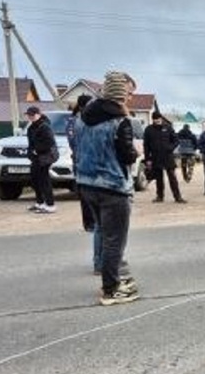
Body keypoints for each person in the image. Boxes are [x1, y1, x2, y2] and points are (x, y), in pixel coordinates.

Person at [75, 71, 140, 306]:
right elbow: (127, 156)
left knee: (103, 233)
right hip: (113, 187)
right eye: (128, 94)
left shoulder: (82, 118)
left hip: (86, 184)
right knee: (115, 241)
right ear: (121, 95)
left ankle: (110, 278)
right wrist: (136, 152)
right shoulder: (120, 121)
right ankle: (111, 289)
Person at [144, 111, 186, 203]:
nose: (157, 121)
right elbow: (146, 145)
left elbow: (176, 140)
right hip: (156, 157)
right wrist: (147, 159)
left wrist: (170, 148)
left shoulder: (168, 127)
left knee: (172, 178)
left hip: (168, 156)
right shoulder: (148, 130)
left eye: (158, 119)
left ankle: (178, 197)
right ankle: (160, 196)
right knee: (159, 178)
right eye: (155, 119)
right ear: (152, 119)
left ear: (161, 118)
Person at [67, 94, 95, 231]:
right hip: (81, 161)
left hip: (93, 160)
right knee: (85, 194)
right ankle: (89, 223)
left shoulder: (92, 119)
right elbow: (73, 142)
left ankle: (95, 221)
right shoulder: (74, 121)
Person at [25, 106, 58, 214]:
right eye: (29, 115)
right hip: (36, 158)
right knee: (35, 179)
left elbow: (50, 142)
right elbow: (31, 144)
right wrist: (30, 153)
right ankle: (40, 202)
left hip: (45, 157)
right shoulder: (31, 128)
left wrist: (37, 150)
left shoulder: (44, 126)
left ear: (39, 114)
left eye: (32, 115)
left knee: (44, 180)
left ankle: (50, 204)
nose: (30, 117)